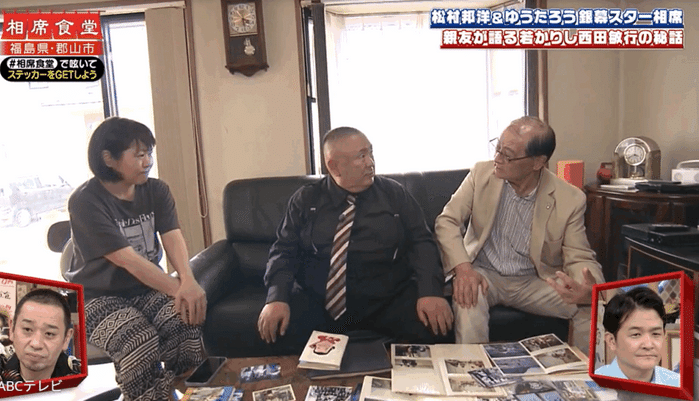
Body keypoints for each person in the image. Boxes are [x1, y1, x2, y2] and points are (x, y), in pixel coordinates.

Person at [257, 126, 452, 353]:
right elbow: (284, 250)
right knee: (276, 329)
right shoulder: (306, 200)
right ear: (334, 166)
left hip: (387, 299)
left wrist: (430, 290)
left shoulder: (395, 195)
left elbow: (422, 242)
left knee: (434, 326)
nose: (371, 163)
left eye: (370, 153)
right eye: (361, 156)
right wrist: (277, 297)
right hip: (318, 301)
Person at [434, 116, 604, 355]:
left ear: (537, 162)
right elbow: (447, 221)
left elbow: (580, 255)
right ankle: (473, 373)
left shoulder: (570, 198)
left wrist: (589, 289)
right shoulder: (481, 174)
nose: (497, 159)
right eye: (497, 149)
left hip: (534, 280)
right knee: (468, 297)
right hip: (485, 273)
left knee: (591, 307)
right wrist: (463, 269)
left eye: (508, 155)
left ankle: (584, 374)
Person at [65, 117, 206, 401]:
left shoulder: (156, 190)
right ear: (109, 158)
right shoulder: (85, 201)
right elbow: (127, 260)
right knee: (137, 339)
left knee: (185, 320)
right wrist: (179, 289)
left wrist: (188, 280)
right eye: (139, 155)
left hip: (144, 289)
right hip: (95, 298)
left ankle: (189, 392)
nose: (148, 162)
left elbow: (172, 236)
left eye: (149, 153)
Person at [595, 286, 679, 386]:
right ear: (611, 341)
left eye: (656, 334)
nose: (648, 345)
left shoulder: (677, 383)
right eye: (636, 334)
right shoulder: (594, 384)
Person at [0, 289, 81, 384]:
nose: (36, 344)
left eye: (49, 333)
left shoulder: (83, 379)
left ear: (66, 338)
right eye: (27, 329)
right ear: (12, 330)